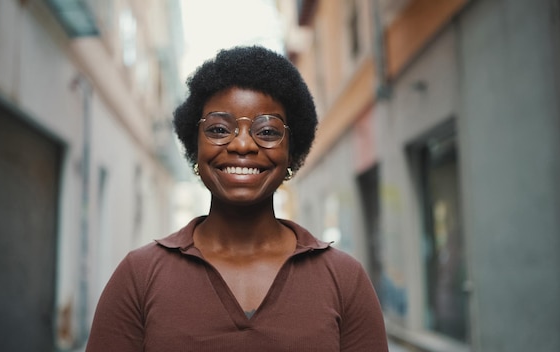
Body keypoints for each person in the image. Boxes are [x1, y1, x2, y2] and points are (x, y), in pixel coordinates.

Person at [86, 46, 388, 351]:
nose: (242, 145)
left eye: (267, 132)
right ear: (196, 147)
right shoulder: (139, 276)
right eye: (219, 129)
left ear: (291, 153)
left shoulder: (345, 279)